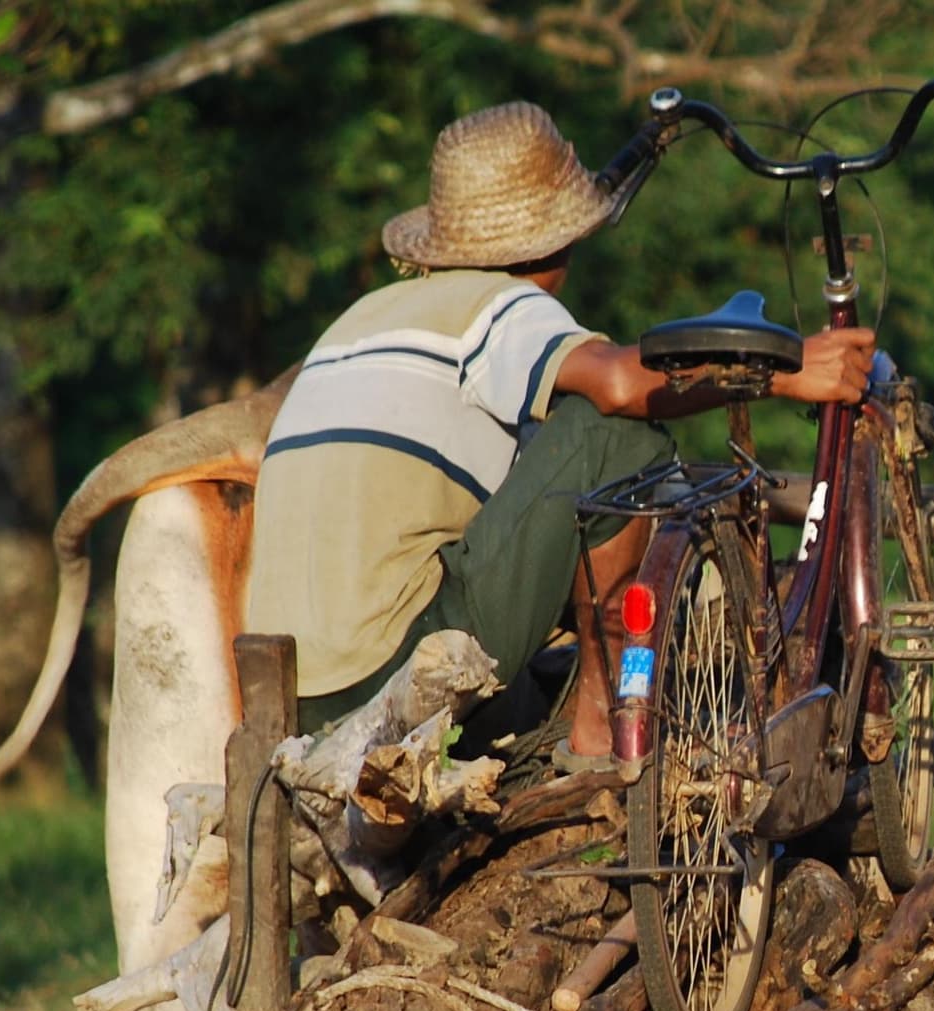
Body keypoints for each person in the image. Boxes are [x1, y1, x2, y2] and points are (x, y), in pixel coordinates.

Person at [246, 101, 874, 760]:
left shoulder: (362, 317)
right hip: (392, 661)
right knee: (617, 436)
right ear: (559, 242)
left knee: (538, 674)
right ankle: (602, 726)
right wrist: (785, 371)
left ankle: (556, 718)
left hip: (296, 691)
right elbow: (619, 387)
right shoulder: (499, 304)